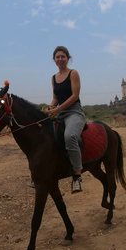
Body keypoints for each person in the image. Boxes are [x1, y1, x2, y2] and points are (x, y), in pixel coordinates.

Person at [45, 46, 87, 193]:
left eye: (63, 56)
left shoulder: (73, 73)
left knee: (70, 136)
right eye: (58, 57)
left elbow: (75, 95)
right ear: (54, 60)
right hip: (61, 114)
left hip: (74, 112)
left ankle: (77, 177)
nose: (60, 59)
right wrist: (50, 108)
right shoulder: (53, 78)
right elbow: (55, 98)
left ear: (68, 58)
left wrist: (58, 109)